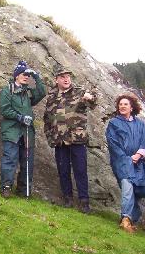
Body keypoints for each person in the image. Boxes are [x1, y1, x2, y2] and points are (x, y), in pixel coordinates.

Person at [43, 66, 97, 213]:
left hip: (77, 139)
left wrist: (90, 98)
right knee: (63, 170)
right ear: (56, 79)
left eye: (68, 76)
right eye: (62, 77)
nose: (66, 79)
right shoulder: (52, 97)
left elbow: (92, 102)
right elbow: (47, 120)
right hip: (59, 141)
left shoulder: (79, 92)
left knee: (80, 170)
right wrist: (50, 137)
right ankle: (67, 199)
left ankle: (84, 202)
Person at [105, 93, 145, 233]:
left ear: (131, 107)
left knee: (140, 189)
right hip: (122, 161)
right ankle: (125, 219)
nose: (122, 106)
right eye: (120, 104)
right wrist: (128, 159)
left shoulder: (140, 124)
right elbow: (113, 143)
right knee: (127, 187)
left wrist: (138, 155)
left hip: (139, 163)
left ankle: (132, 218)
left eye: (125, 104)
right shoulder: (114, 123)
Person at [0, 60, 46, 198]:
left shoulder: (28, 92)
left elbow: (42, 92)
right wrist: (20, 117)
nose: (26, 77)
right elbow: (5, 110)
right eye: (23, 74)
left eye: (28, 75)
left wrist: (36, 76)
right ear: (16, 75)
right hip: (12, 131)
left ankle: (23, 190)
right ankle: (6, 187)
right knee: (10, 160)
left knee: (27, 162)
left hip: (27, 132)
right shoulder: (7, 90)